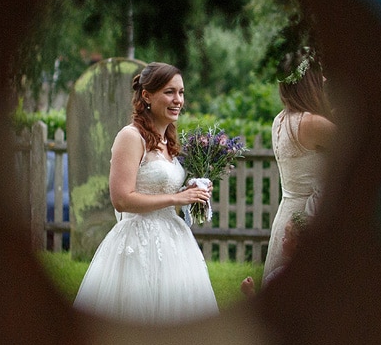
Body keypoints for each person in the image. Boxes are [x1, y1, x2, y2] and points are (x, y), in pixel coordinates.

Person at [72, 62, 218, 326]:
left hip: (175, 242)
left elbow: (161, 189)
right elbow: (122, 199)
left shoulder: (167, 140)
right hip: (136, 243)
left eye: (181, 93)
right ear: (147, 96)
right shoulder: (130, 137)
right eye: (170, 92)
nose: (178, 100)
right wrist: (177, 198)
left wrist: (191, 191)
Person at [262, 46, 336, 283]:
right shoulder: (312, 123)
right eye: (320, 75)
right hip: (309, 218)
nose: (325, 80)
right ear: (310, 80)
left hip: (287, 214)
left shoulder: (281, 120)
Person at [242, 211, 309, 297]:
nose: (282, 239)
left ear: (295, 243)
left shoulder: (278, 278)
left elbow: (268, 309)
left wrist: (250, 292)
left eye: (286, 236)